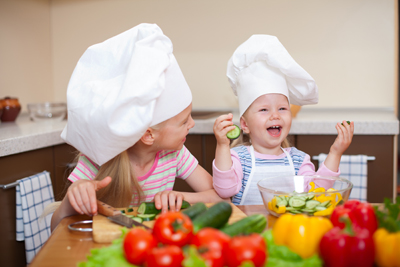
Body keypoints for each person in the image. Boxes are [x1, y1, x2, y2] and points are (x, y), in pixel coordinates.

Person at [50, 23, 224, 230]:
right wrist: (73, 198)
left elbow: (221, 198)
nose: (192, 124)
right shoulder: (98, 159)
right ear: (149, 135)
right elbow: (55, 227)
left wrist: (180, 196)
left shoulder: (175, 155)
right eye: (184, 121)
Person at [212, 35, 354, 205]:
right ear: (244, 124)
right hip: (248, 229)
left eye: (282, 108)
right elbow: (225, 190)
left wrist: (335, 153)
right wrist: (222, 145)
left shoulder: (299, 161)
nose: (275, 115)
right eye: (264, 110)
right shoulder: (237, 158)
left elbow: (316, 193)